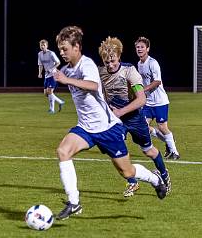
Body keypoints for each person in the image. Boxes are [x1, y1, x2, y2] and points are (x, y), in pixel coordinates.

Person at [53, 26, 167, 221]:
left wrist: (66, 80)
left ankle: (156, 180)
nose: (61, 53)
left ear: (77, 47)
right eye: (60, 49)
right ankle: (74, 203)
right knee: (63, 151)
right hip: (85, 128)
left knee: (127, 171)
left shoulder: (86, 64)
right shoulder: (66, 70)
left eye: (64, 48)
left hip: (108, 128)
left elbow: (93, 85)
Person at [98, 36, 171, 197]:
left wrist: (120, 111)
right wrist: (107, 107)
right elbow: (102, 94)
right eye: (107, 62)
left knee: (149, 151)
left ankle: (164, 174)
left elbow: (141, 99)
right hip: (117, 121)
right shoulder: (100, 72)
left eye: (113, 61)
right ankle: (133, 182)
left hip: (135, 118)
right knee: (117, 151)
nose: (110, 65)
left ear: (119, 56)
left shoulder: (130, 71)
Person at [135, 36, 180, 160]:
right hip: (148, 102)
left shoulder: (153, 63)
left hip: (160, 101)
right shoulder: (139, 64)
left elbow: (157, 81)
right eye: (137, 47)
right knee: (143, 126)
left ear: (147, 49)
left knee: (162, 127)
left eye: (142, 47)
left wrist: (142, 90)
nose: (139, 49)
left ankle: (174, 152)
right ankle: (168, 139)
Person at [38, 39, 65, 113]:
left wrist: (51, 68)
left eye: (44, 45)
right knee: (46, 94)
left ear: (47, 46)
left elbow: (58, 62)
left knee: (49, 92)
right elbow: (40, 65)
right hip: (47, 75)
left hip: (53, 74)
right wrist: (40, 73)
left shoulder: (51, 53)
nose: (42, 46)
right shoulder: (39, 54)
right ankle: (60, 102)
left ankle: (52, 109)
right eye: (41, 45)